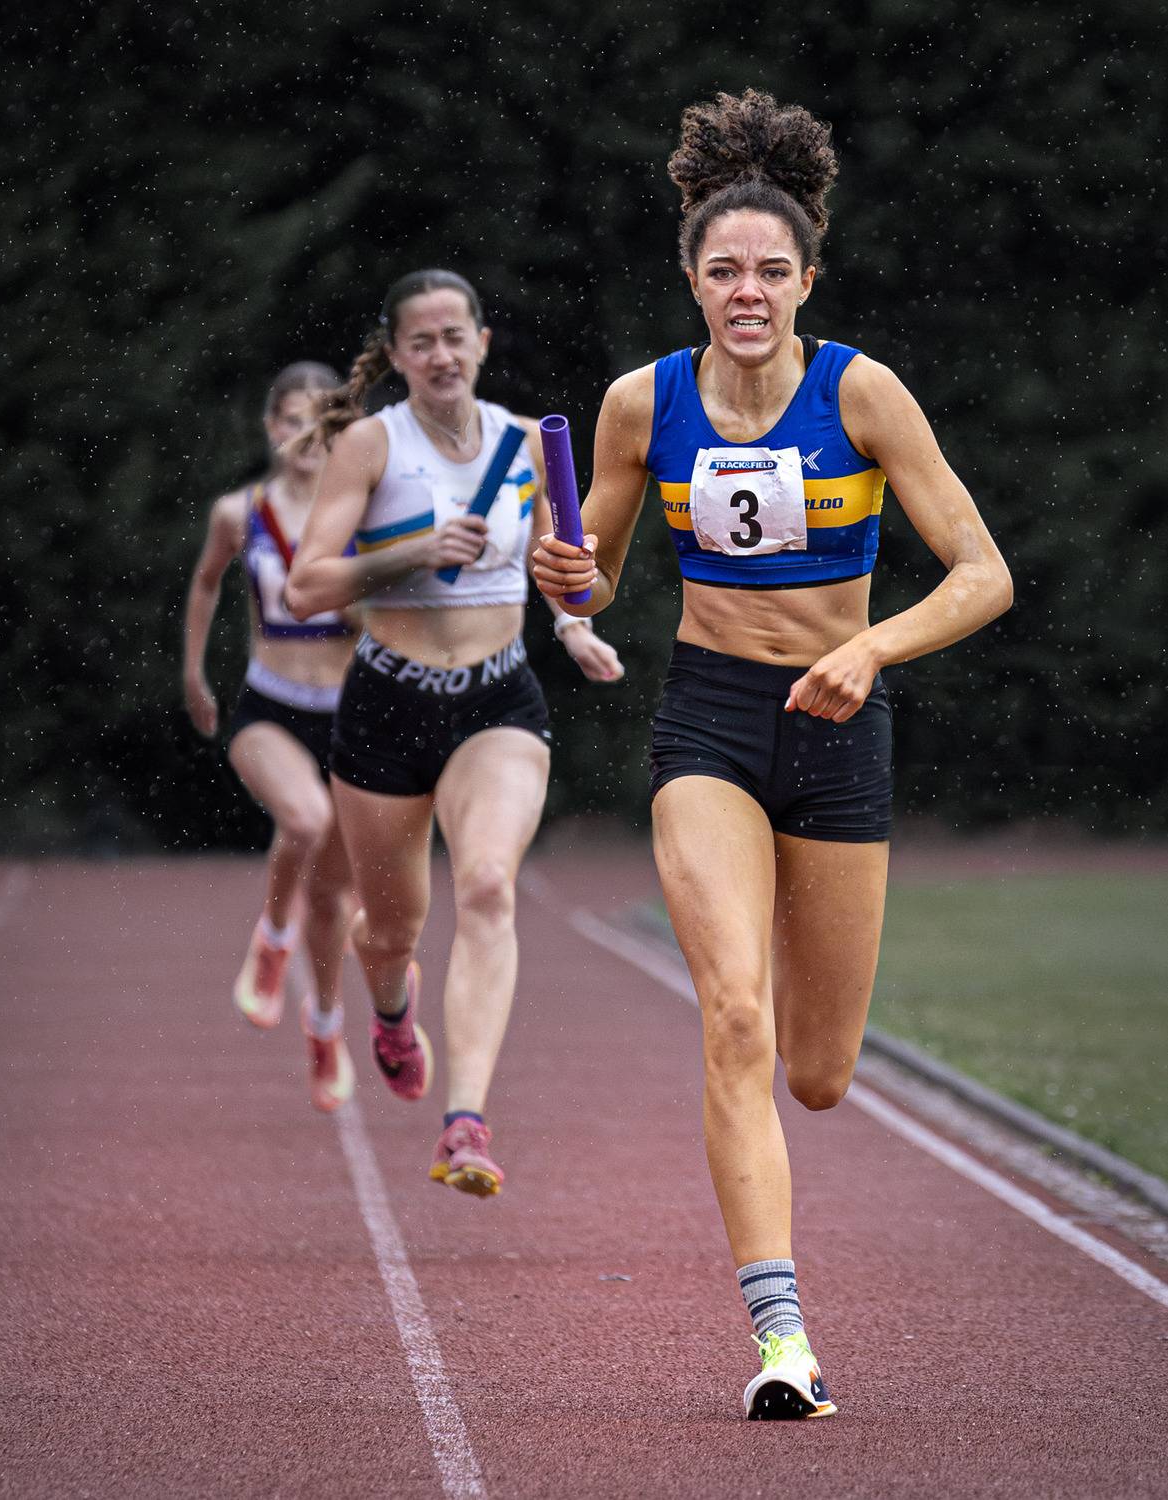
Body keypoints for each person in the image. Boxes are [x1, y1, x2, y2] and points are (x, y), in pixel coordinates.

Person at [532, 90, 1013, 1419]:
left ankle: (788, 1237)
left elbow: (983, 574)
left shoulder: (861, 393)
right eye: (723, 270)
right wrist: (563, 577)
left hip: (841, 725)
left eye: (770, 271)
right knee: (732, 1017)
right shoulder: (640, 404)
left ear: (807, 281)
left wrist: (872, 650)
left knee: (817, 1072)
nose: (746, 291)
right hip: (710, 721)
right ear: (691, 280)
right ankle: (782, 1339)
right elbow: (594, 577)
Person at [284, 269, 624, 1196]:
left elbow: (568, 570)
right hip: (387, 705)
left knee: (485, 886)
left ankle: (464, 1124)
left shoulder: (528, 443)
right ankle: (392, 1008)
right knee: (393, 928)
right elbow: (305, 587)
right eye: (421, 341)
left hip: (496, 702)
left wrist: (577, 628)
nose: (441, 354)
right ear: (397, 355)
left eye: (454, 336)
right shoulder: (370, 444)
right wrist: (410, 553)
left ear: (482, 342)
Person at [183, 362, 358, 1114]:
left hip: (351, 717)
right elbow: (206, 582)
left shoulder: (366, 515)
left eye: (323, 421)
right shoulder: (239, 512)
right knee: (305, 820)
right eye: (292, 419)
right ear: (270, 427)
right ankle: (272, 938)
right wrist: (193, 673)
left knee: (337, 900)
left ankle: (325, 1025)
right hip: (270, 708)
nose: (306, 435)